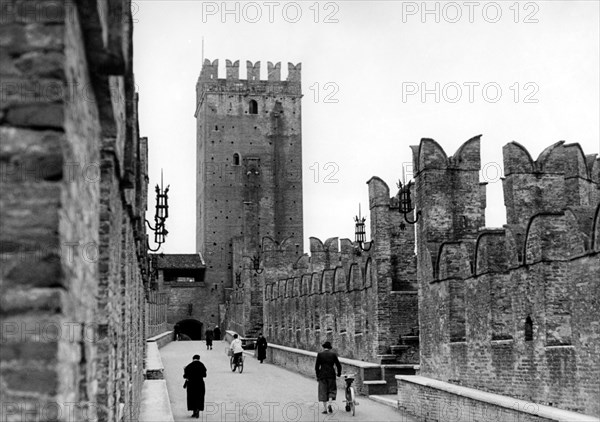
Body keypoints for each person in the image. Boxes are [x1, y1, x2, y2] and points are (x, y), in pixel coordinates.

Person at [315, 341, 341, 414]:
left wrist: (318, 375)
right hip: (331, 375)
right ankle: (330, 404)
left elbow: (316, 367)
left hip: (322, 375)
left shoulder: (320, 354)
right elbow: (338, 365)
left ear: (324, 347)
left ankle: (325, 409)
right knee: (331, 390)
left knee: (323, 391)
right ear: (329, 348)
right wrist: (339, 374)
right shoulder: (333, 354)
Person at [183, 354, 207, 418]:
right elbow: (204, 375)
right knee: (199, 397)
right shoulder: (202, 365)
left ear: (193, 359)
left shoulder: (189, 366)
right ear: (199, 359)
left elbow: (185, 376)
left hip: (191, 384)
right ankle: (198, 410)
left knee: (192, 397)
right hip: (200, 383)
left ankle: (194, 412)